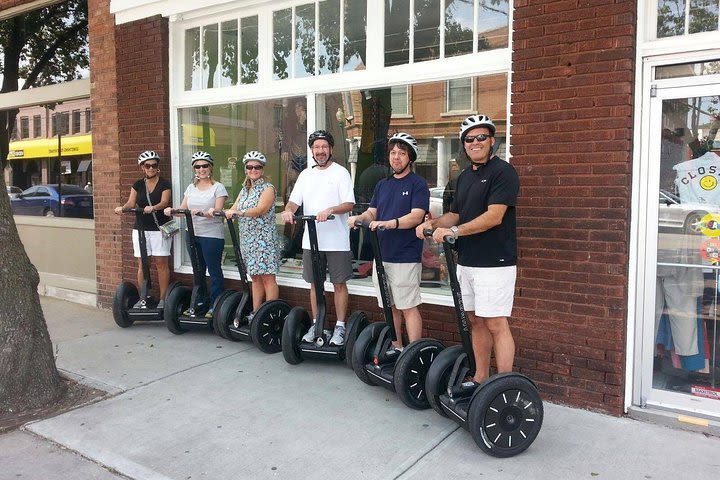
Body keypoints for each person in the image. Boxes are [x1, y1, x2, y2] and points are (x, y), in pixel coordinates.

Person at [416, 115, 519, 384]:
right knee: (475, 320)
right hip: (468, 261)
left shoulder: (503, 172)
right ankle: (480, 378)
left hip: (495, 263)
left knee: (496, 323)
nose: (475, 143)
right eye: (470, 139)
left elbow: (495, 216)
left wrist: (454, 232)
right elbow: (456, 215)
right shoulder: (463, 178)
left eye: (481, 137)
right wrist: (432, 223)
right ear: (464, 145)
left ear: (492, 141)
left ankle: (503, 386)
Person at [348, 132, 429, 352]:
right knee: (390, 306)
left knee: (408, 307)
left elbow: (416, 216)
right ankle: (397, 347)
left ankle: (414, 352)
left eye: (401, 154)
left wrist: (390, 223)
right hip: (381, 256)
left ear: (410, 158)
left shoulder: (418, 184)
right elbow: (372, 213)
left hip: (405, 256)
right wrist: (359, 218)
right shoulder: (382, 185)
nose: (396, 157)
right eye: (393, 153)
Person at [281, 130, 355, 345]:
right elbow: (294, 202)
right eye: (316, 147)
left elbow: (349, 204)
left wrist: (330, 209)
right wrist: (288, 210)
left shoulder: (341, 173)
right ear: (312, 151)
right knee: (315, 284)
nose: (320, 151)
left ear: (330, 149)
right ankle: (317, 324)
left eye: (324, 147)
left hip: (337, 240)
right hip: (311, 241)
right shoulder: (306, 175)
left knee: (339, 284)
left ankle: (340, 326)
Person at [164, 151, 228, 318]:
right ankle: (200, 300)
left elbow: (219, 210)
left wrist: (210, 211)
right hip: (192, 234)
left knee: (214, 271)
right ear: (194, 169)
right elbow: (183, 209)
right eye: (198, 166)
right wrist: (171, 210)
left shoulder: (218, 187)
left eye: (204, 165)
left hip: (212, 236)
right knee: (198, 270)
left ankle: (215, 304)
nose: (201, 169)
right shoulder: (190, 188)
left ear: (210, 167)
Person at [226, 151, 281, 319]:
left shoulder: (268, 188)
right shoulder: (244, 190)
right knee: (255, 277)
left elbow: (260, 210)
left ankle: (270, 313)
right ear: (245, 170)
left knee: (267, 278)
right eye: (250, 167)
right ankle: (256, 313)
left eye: (257, 167)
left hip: (264, 240)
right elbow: (233, 208)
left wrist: (238, 213)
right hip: (247, 240)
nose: (253, 170)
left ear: (262, 169)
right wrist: (219, 211)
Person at [114, 150, 172, 308]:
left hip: (159, 228)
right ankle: (144, 297)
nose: (151, 168)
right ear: (142, 167)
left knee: (161, 263)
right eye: (148, 165)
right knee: (142, 263)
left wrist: (153, 208)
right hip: (140, 228)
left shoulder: (164, 183)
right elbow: (131, 203)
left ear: (157, 166)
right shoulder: (138, 184)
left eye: (154, 165)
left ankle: (163, 299)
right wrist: (123, 208)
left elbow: (165, 202)